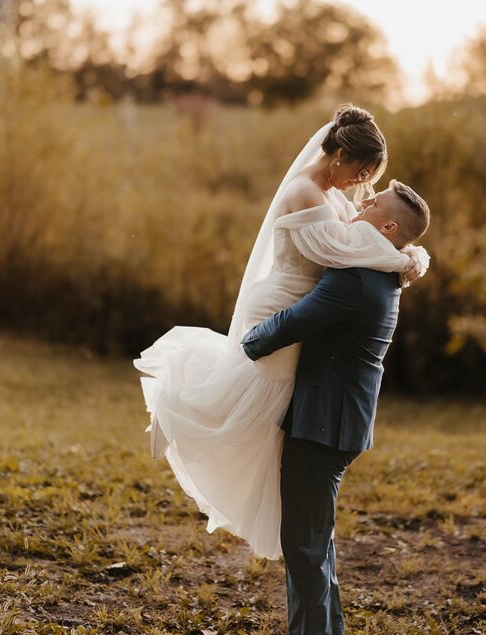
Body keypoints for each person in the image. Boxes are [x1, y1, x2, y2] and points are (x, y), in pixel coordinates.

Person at [134, 105, 429, 560]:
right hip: (277, 310)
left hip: (297, 315)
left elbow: (366, 233)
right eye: (361, 171)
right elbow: (345, 250)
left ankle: (304, 528)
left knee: (271, 423)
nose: (361, 184)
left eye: (369, 176)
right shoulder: (304, 193)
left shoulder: (332, 195)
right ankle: (182, 416)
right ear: (340, 155)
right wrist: (406, 257)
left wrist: (403, 250)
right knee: (248, 407)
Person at [240, 180, 430, 635]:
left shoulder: (357, 277)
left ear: (388, 228)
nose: (362, 203)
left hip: (324, 423)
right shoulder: (382, 272)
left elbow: (295, 322)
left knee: (302, 537)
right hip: (341, 419)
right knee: (314, 534)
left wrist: (243, 344)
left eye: (373, 205)